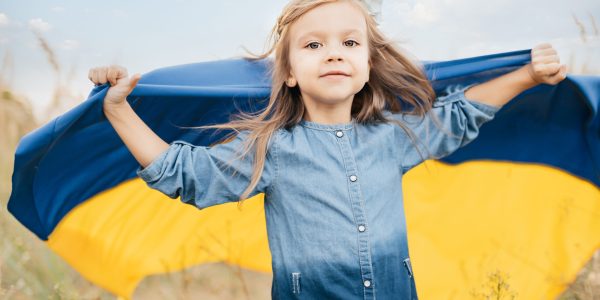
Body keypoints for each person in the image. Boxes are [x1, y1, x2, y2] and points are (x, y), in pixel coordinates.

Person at [88, 0, 567, 298]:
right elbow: (186, 174)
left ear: (365, 68)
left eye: (349, 42)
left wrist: (527, 76)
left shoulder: (393, 137)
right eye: (314, 45)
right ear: (291, 73)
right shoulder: (272, 149)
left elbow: (459, 117)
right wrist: (118, 110)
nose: (334, 52)